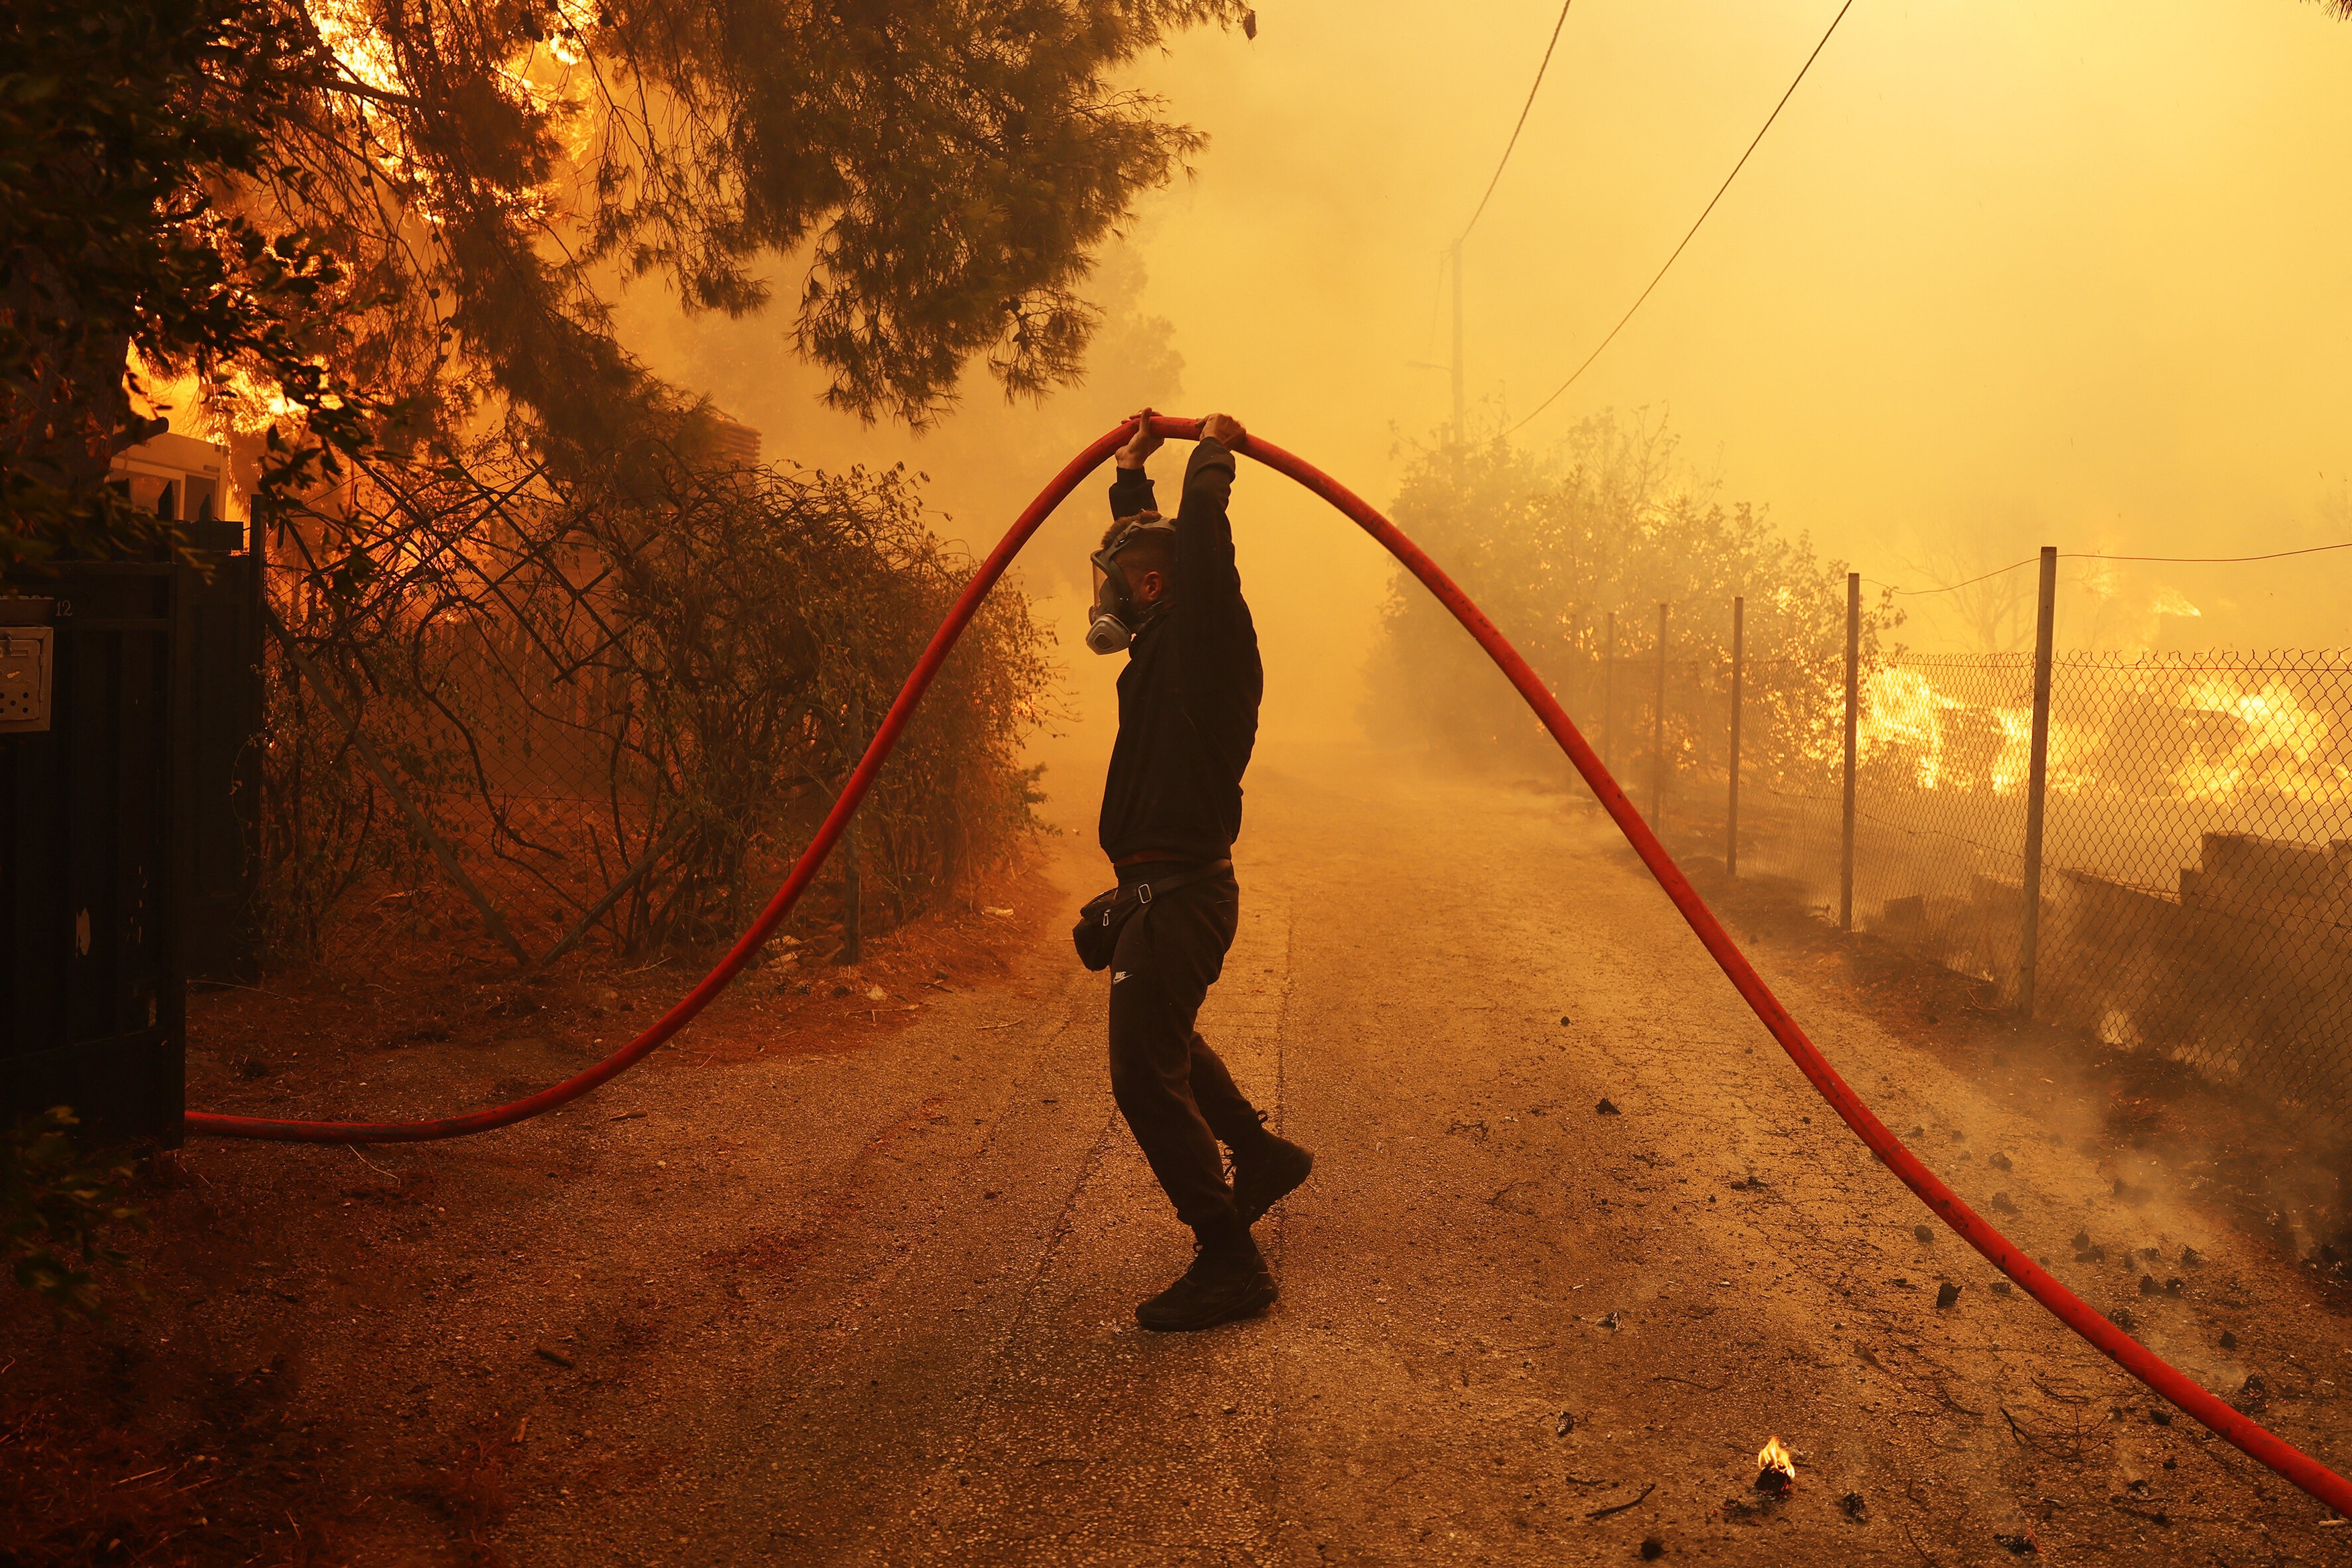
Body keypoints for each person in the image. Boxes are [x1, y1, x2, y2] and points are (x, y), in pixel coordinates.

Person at [1084, 407, 1314, 1333]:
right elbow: (1161, 554)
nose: (1104, 600)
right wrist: (1130, 473)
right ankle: (1258, 1153)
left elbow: (1199, 558)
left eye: (1116, 585)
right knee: (1164, 1040)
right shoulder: (1167, 645)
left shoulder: (1210, 642)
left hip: (1184, 895)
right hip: (1160, 890)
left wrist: (1211, 459)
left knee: (1143, 1072)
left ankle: (1230, 1260)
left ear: (1150, 586)